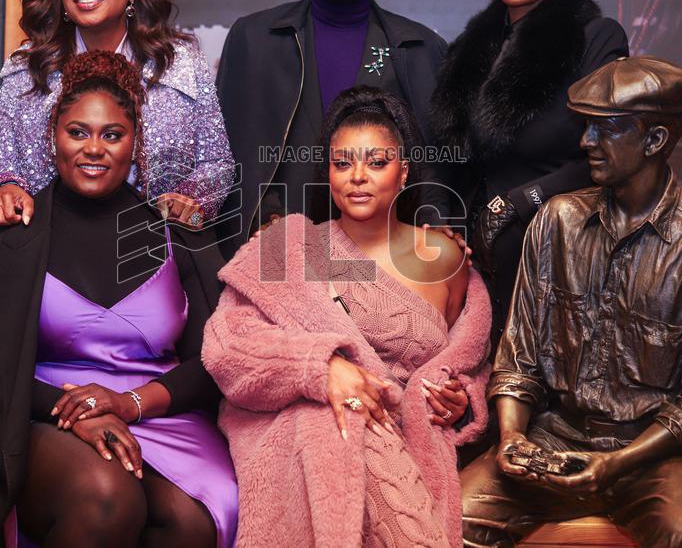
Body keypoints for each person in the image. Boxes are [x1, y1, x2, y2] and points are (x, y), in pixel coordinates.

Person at [0, 53, 238, 547]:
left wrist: (128, 404)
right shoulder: (5, 235)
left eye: (112, 135)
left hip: (155, 414)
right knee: (107, 496)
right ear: (53, 137)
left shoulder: (176, 234)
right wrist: (76, 409)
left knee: (194, 518)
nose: (94, 149)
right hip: (42, 415)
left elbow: (214, 359)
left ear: (135, 143)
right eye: (78, 132)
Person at [460, 57, 682, 547]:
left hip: (656, 458)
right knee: (449, 516)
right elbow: (519, 360)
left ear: (655, 140)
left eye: (605, 129)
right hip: (555, 440)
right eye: (585, 126)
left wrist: (615, 464)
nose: (585, 142)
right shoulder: (557, 222)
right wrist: (512, 436)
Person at [203, 87, 492, 546]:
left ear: (404, 172)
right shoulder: (290, 249)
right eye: (343, 164)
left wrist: (460, 396)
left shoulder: (442, 256)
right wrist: (321, 367)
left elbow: (471, 357)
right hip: (319, 428)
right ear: (329, 174)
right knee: (344, 419)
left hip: (413, 441)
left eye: (376, 162)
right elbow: (228, 346)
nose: (358, 177)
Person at [429, 0, 629, 344]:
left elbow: (606, 158)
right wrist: (442, 220)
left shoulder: (595, 38)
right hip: (471, 256)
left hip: (555, 251)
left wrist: (519, 203)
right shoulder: (469, 49)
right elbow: (447, 152)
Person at [216, 0, 450, 254]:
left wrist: (435, 235)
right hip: (274, 242)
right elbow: (227, 151)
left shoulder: (419, 49)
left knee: (376, 314)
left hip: (381, 251)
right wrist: (267, 220)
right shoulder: (254, 38)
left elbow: (434, 161)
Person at [0, 0, 234, 230]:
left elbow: (217, 163)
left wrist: (191, 201)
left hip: (151, 248)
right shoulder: (27, 66)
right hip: (50, 252)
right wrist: (5, 190)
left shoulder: (180, 60)